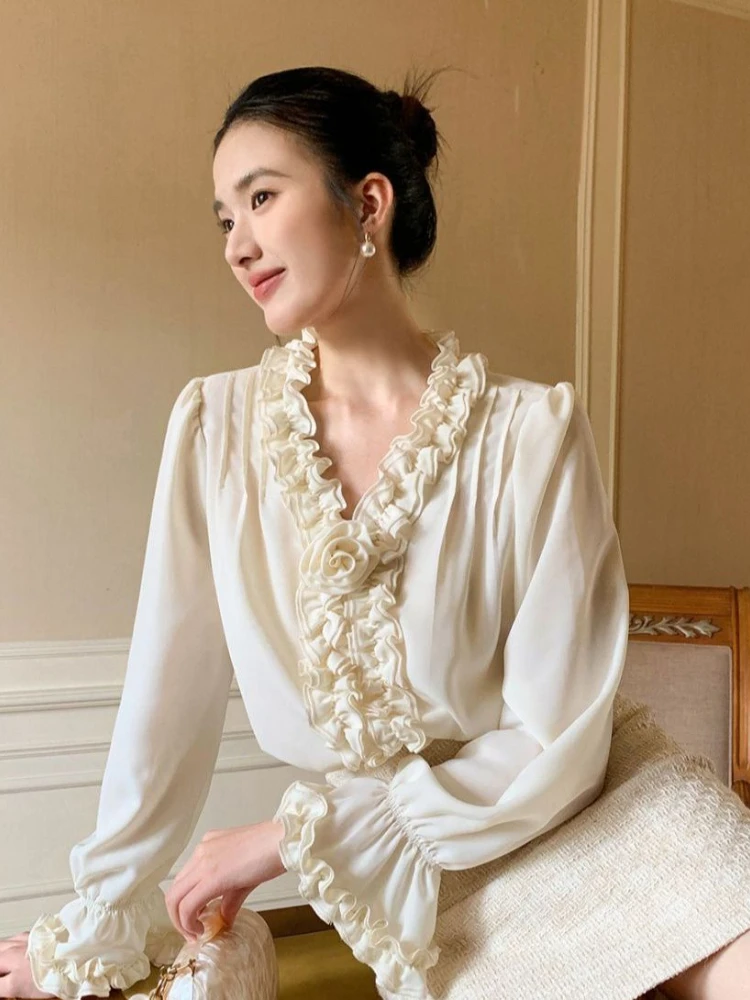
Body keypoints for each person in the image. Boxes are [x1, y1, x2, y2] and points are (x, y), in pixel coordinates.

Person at [2, 64, 750, 1000]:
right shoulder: (217, 432)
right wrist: (94, 931)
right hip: (436, 884)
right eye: (224, 218)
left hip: (606, 813)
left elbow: (557, 732)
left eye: (261, 198)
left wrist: (288, 838)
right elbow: (164, 708)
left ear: (368, 203)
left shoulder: (532, 434)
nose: (237, 245)